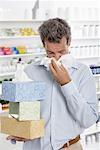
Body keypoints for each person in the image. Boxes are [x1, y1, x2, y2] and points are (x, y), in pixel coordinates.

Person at [7, 18, 98, 150]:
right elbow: (20, 113)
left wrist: (67, 84)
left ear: (69, 43)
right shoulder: (30, 71)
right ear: (44, 45)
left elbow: (89, 120)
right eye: (50, 53)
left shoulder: (82, 72)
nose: (56, 58)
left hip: (69, 147)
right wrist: (19, 130)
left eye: (61, 52)